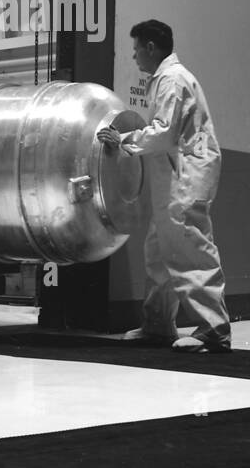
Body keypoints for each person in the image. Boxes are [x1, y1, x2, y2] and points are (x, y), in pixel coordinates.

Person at [97, 19, 231, 353]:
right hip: (175, 177)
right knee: (159, 252)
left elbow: (163, 132)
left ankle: (214, 329)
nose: (134, 57)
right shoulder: (166, 79)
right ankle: (157, 325)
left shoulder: (172, 79)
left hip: (185, 177)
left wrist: (123, 139)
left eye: (136, 49)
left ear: (151, 47)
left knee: (189, 248)